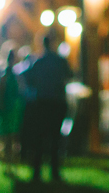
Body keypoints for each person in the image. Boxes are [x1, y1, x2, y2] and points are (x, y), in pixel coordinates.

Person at [22, 34, 72, 182]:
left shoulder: (38, 62)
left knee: (39, 137)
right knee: (55, 138)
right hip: (57, 102)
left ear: (42, 44)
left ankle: (37, 172)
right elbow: (69, 75)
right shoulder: (60, 61)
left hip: (42, 103)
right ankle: (54, 172)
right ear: (53, 43)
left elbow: (28, 80)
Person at [0, 47, 24, 165]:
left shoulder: (12, 73)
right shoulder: (6, 73)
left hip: (11, 107)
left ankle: (9, 160)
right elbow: (1, 90)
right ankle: (8, 159)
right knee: (8, 135)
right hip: (8, 107)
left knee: (9, 136)